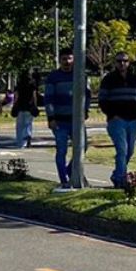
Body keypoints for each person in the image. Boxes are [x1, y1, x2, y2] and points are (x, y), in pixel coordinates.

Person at [99, 53, 136, 188]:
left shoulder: (134, 79)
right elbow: (102, 99)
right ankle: (121, 180)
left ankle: (116, 174)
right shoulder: (109, 79)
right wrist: (112, 114)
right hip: (117, 120)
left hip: (133, 120)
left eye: (125, 61)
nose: (122, 64)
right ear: (115, 63)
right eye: (119, 61)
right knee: (122, 149)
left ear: (129, 63)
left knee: (130, 150)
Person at [43, 48, 88, 188]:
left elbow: (86, 95)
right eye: (64, 59)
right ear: (60, 61)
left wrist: (85, 111)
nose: (67, 62)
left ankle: (70, 170)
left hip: (76, 119)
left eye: (69, 59)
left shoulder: (80, 75)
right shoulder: (53, 77)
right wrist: (51, 117)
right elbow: (48, 98)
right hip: (60, 120)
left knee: (83, 146)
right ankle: (63, 180)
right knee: (61, 150)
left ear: (74, 59)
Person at [11, 71, 40, 149]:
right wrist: (35, 105)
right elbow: (34, 97)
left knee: (20, 125)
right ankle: (28, 138)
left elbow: (16, 97)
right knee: (28, 124)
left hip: (20, 106)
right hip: (29, 107)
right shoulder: (32, 85)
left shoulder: (18, 86)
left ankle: (20, 142)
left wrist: (14, 105)